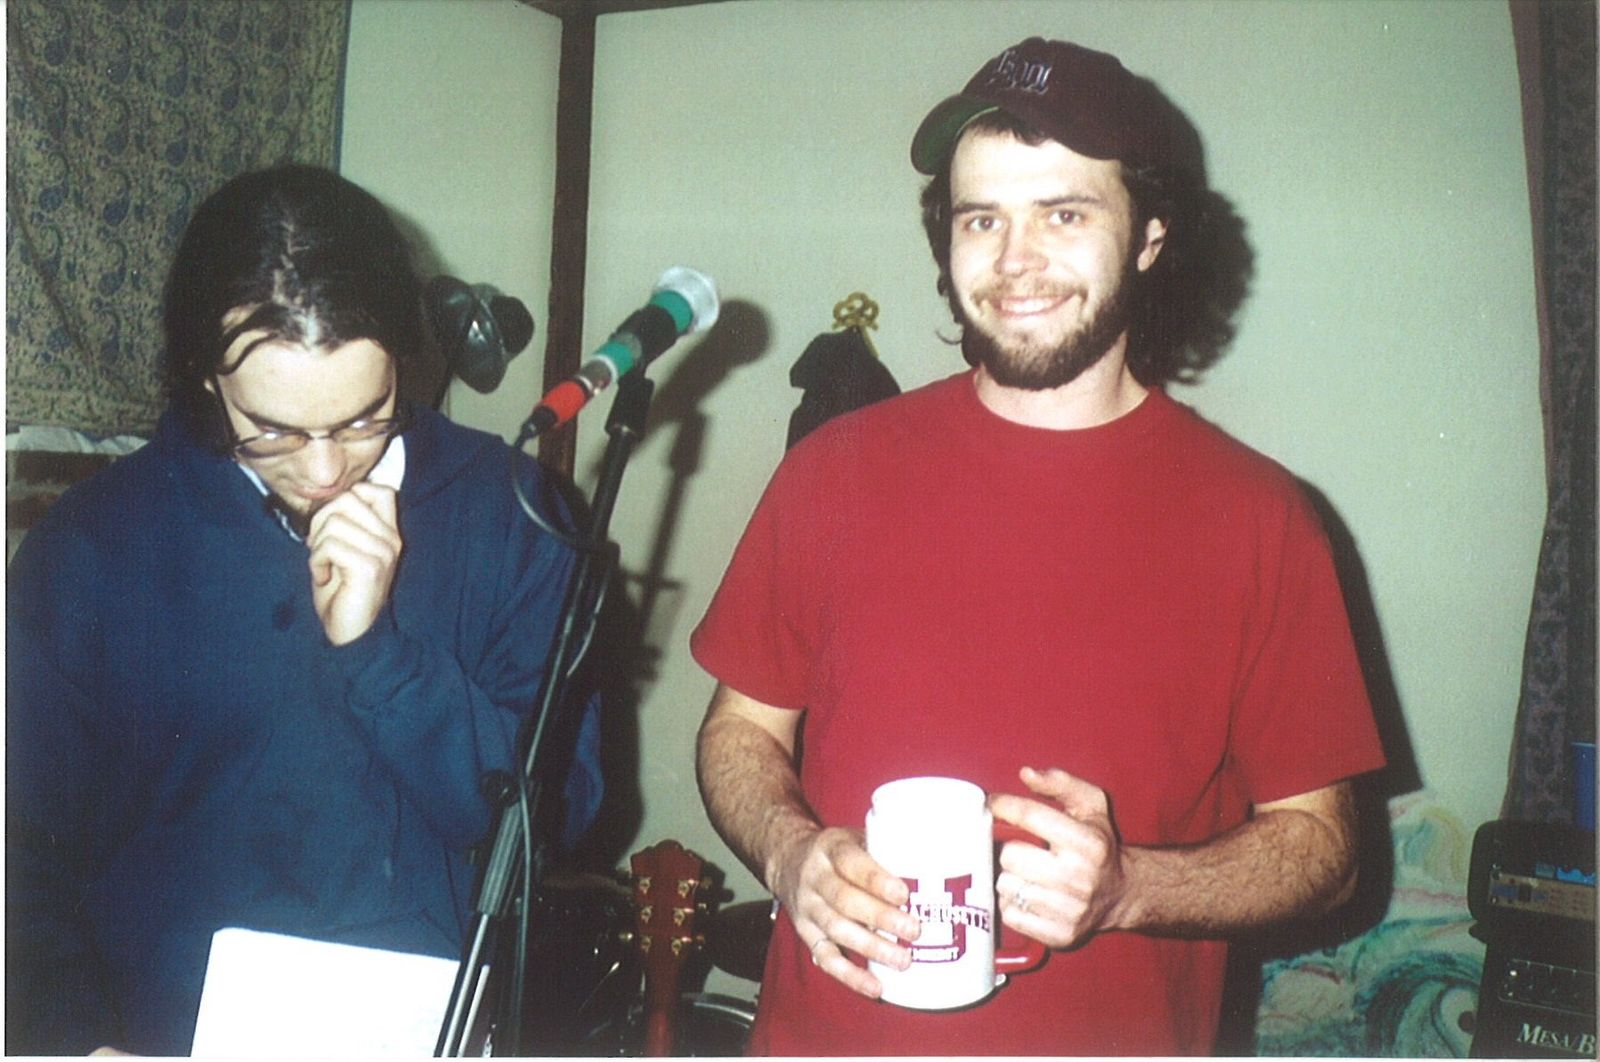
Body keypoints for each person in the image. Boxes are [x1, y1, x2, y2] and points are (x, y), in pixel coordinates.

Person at [692, 37, 1386, 1055]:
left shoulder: (1261, 519)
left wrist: (1131, 887)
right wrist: (789, 852)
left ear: (1148, 235)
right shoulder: (831, 471)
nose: (1015, 260)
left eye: (1064, 214)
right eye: (982, 219)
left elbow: (1326, 851)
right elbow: (738, 732)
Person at [6, 164, 601, 1056]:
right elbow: (19, 853)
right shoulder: (92, 546)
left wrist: (381, 657)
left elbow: (554, 822)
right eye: (275, 431)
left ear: (404, 357)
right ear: (203, 378)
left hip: (430, 1036)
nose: (325, 471)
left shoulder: (515, 515)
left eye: (365, 417)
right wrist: (69, 1039)